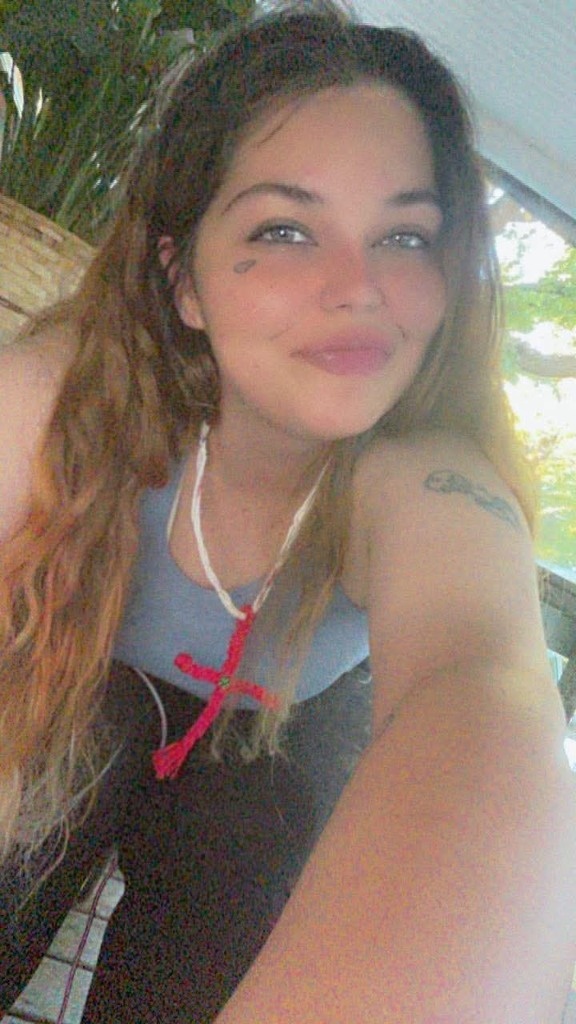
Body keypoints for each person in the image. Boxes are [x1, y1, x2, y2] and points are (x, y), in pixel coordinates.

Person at [1, 1, 576, 1020]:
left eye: (404, 235)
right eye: (284, 228)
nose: (358, 288)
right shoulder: (68, 395)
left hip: (281, 735)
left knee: (241, 884)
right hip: (85, 678)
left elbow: (480, 684)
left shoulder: (430, 483)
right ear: (183, 279)